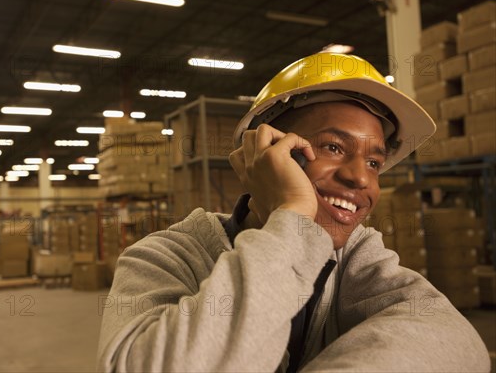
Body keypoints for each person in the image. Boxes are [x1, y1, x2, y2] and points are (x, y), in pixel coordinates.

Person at [96, 53, 490, 372]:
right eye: (334, 147)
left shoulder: (355, 256)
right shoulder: (164, 258)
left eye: (374, 162)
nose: (361, 180)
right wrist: (293, 218)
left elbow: (456, 343)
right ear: (262, 154)